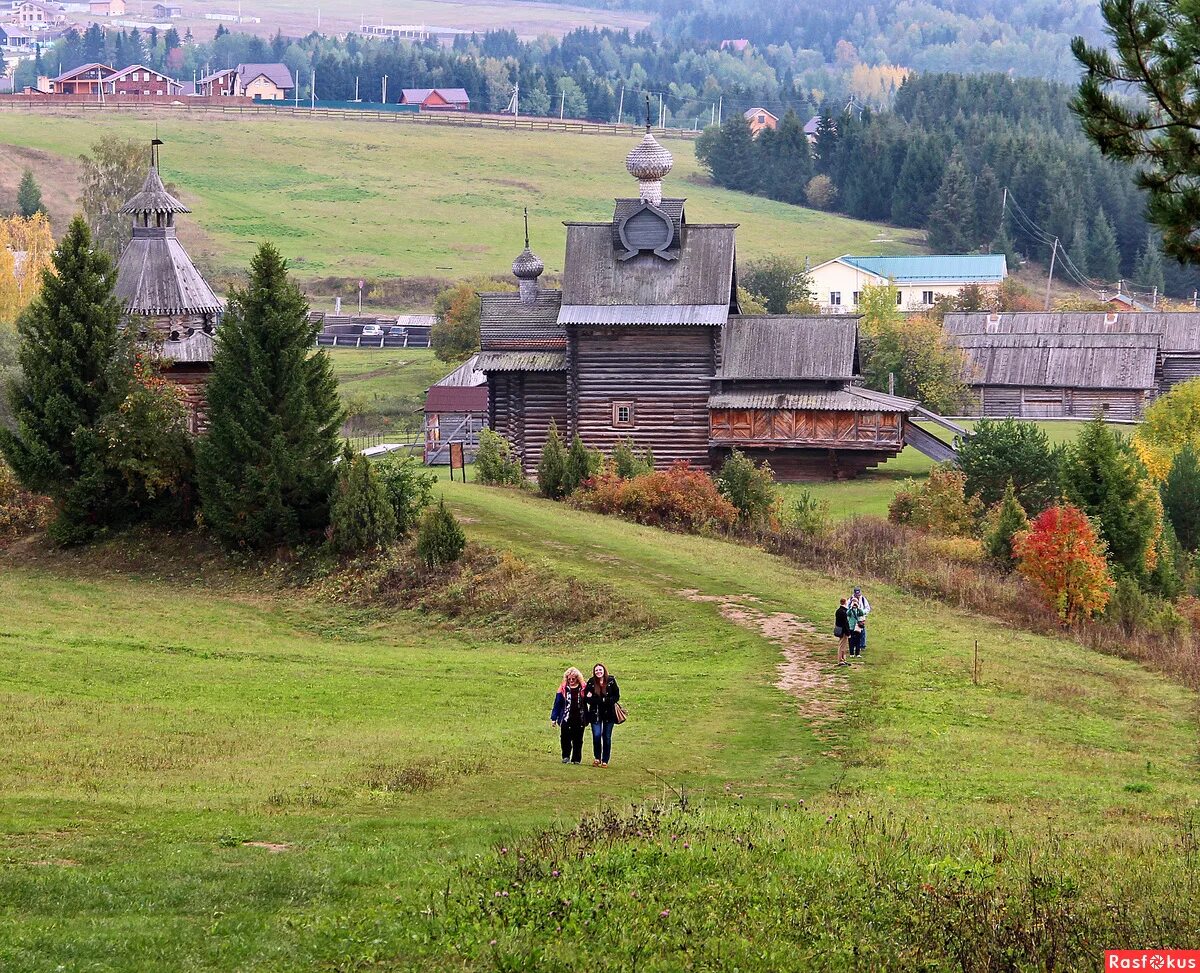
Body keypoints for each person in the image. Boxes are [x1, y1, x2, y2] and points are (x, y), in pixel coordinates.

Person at [584, 663, 620, 768]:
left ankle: (605, 760)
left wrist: (604, 700)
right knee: (596, 735)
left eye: (600, 670)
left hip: (609, 714)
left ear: (604, 670)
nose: (598, 672)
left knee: (606, 737)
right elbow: (587, 698)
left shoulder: (611, 681)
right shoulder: (591, 682)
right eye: (596, 670)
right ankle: (597, 758)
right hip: (595, 714)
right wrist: (600, 700)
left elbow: (616, 696)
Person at [550, 667, 587, 764]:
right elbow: (557, 703)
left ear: (577, 678)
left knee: (578, 740)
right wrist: (554, 718)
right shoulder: (563, 688)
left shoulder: (583, 688)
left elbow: (589, 700)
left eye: (573, 679)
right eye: (569, 678)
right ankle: (566, 756)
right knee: (565, 738)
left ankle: (576, 759)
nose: (571, 681)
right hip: (566, 718)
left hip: (579, 718)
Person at [848, 586, 871, 657]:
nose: (857, 595)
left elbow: (867, 608)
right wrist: (852, 608)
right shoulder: (850, 599)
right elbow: (847, 609)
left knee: (862, 632)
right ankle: (853, 647)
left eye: (858, 593)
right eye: (856, 594)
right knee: (852, 634)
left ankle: (862, 645)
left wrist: (862, 611)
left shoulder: (863, 599)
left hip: (861, 619)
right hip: (852, 620)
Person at [835, 599, 850, 666]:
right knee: (842, 646)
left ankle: (843, 659)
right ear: (845, 603)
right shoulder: (843, 612)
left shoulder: (838, 610)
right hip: (843, 631)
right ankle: (840, 660)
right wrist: (848, 632)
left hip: (840, 630)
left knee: (843, 645)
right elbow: (845, 623)